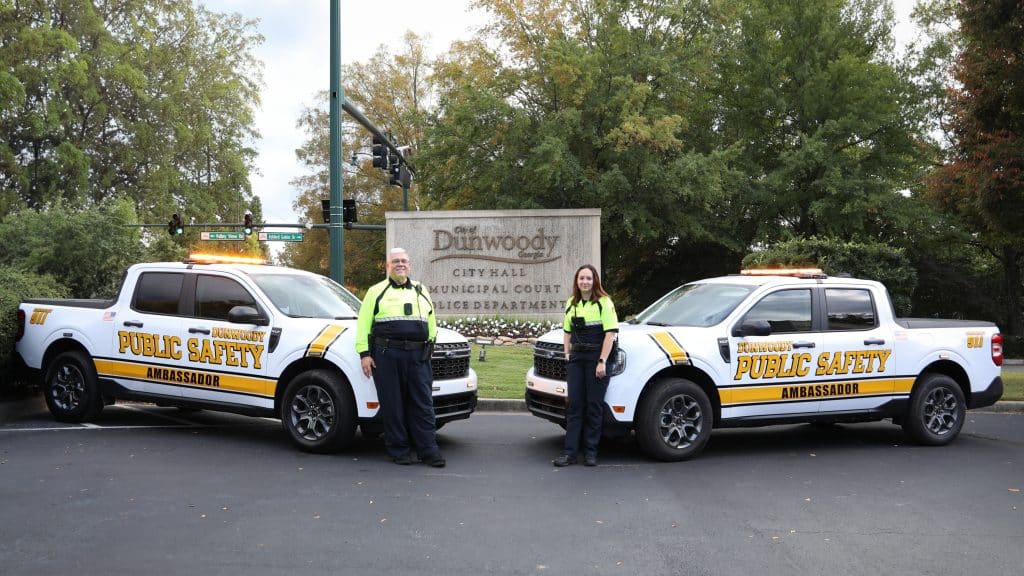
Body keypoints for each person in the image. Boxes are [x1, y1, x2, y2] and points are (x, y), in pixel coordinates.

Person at [356, 247, 445, 467]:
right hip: (387, 355)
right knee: (392, 404)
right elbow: (363, 324)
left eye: (404, 260)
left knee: (423, 404)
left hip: (418, 356)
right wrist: (364, 354)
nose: (400, 264)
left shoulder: (420, 290)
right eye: (395, 261)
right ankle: (399, 450)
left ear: (409, 265)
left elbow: (431, 319)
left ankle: (429, 450)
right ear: (388, 266)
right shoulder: (376, 291)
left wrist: (430, 344)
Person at [553, 264, 619, 467]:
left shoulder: (604, 303)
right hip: (577, 359)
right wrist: (566, 353)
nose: (585, 282)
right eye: (582, 278)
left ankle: (590, 452)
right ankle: (570, 453)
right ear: (577, 281)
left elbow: (610, 334)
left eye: (588, 278)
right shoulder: (571, 303)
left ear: (595, 281)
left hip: (596, 358)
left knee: (593, 406)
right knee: (574, 407)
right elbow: (567, 331)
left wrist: (602, 361)